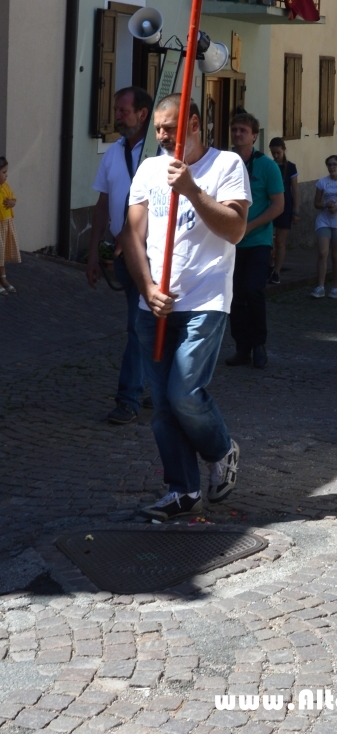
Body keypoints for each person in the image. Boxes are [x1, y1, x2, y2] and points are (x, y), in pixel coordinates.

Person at [123, 93, 250, 521]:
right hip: (155, 304)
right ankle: (182, 491)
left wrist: (193, 190)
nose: (161, 136)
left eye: (170, 128)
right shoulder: (148, 168)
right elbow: (131, 236)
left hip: (205, 299)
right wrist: (146, 287)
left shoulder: (227, 164)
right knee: (162, 403)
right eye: (158, 128)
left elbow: (235, 229)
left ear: (194, 124)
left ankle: (220, 450)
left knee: (185, 393)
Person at [86, 86, 153, 424]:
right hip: (124, 255)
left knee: (138, 325)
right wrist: (94, 252)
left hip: (152, 255)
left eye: (123, 110)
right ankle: (155, 387)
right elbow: (102, 205)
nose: (116, 116)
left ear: (143, 114)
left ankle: (129, 397)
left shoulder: (159, 154)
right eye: (116, 110)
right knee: (144, 324)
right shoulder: (113, 153)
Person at [226, 114, 284, 368]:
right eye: (234, 129)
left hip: (258, 240)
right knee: (234, 296)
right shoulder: (224, 162)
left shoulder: (267, 167)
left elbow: (278, 206)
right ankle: (242, 347)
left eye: (243, 130)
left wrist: (249, 226)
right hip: (229, 243)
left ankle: (259, 344)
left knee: (253, 290)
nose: (238, 134)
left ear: (254, 136)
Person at [313, 155, 337, 298]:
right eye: (329, 165)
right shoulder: (322, 182)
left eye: (335, 164)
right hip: (324, 221)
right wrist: (326, 205)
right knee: (322, 253)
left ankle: (336, 287)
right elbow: (316, 203)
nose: (332, 167)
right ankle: (320, 286)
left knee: (336, 256)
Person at [268, 137, 299, 286]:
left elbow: (295, 190)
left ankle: (277, 272)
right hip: (269, 206)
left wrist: (296, 211)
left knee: (280, 241)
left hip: (286, 208)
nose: (275, 156)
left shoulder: (291, 167)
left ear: (284, 151)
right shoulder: (269, 165)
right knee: (268, 241)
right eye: (273, 153)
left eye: (278, 153)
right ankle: (268, 266)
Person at [0, 156, 20, 295]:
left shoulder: (6, 186)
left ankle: (3, 279)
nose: (6, 175)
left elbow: (13, 199)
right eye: (3, 172)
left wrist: (12, 202)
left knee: (1, 255)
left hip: (6, 225)